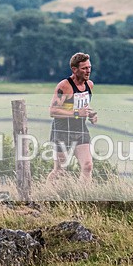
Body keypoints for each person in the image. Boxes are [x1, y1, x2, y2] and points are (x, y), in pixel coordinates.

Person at [48, 52, 98, 182]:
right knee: (60, 170)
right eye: (84, 68)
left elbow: (83, 106)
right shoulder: (64, 86)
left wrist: (90, 114)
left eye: (89, 67)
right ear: (74, 69)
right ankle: (45, 195)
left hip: (80, 129)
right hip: (62, 130)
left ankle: (83, 198)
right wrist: (76, 113)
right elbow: (53, 111)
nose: (88, 71)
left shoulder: (90, 85)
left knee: (87, 166)